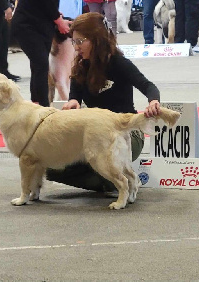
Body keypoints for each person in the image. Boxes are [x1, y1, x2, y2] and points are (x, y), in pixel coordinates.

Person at [46, 12, 162, 192]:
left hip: (126, 133)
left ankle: (114, 177)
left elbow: (147, 86)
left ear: (97, 40)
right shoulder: (81, 65)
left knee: (109, 177)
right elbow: (74, 95)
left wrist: (154, 101)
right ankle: (111, 175)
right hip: (94, 134)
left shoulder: (118, 62)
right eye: (73, 42)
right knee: (51, 170)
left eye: (80, 41)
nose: (76, 47)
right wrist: (73, 102)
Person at [12, 0, 71, 107]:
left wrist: (57, 16)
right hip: (27, 26)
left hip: (41, 25)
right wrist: (59, 20)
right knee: (41, 65)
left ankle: (36, 103)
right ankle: (43, 106)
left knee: (37, 66)